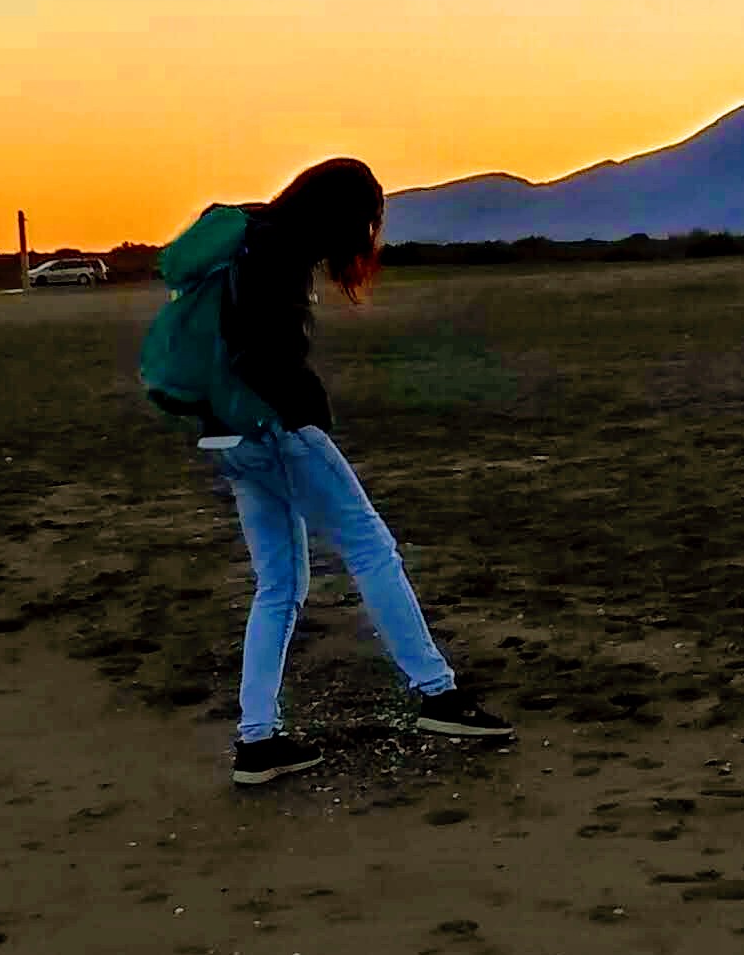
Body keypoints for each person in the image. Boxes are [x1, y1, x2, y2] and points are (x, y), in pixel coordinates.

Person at [176, 158, 512, 787]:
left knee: (279, 582)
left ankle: (257, 739)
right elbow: (269, 354)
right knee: (371, 548)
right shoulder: (278, 251)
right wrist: (306, 414)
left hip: (225, 433)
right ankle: (438, 694)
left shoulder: (243, 238)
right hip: (277, 429)